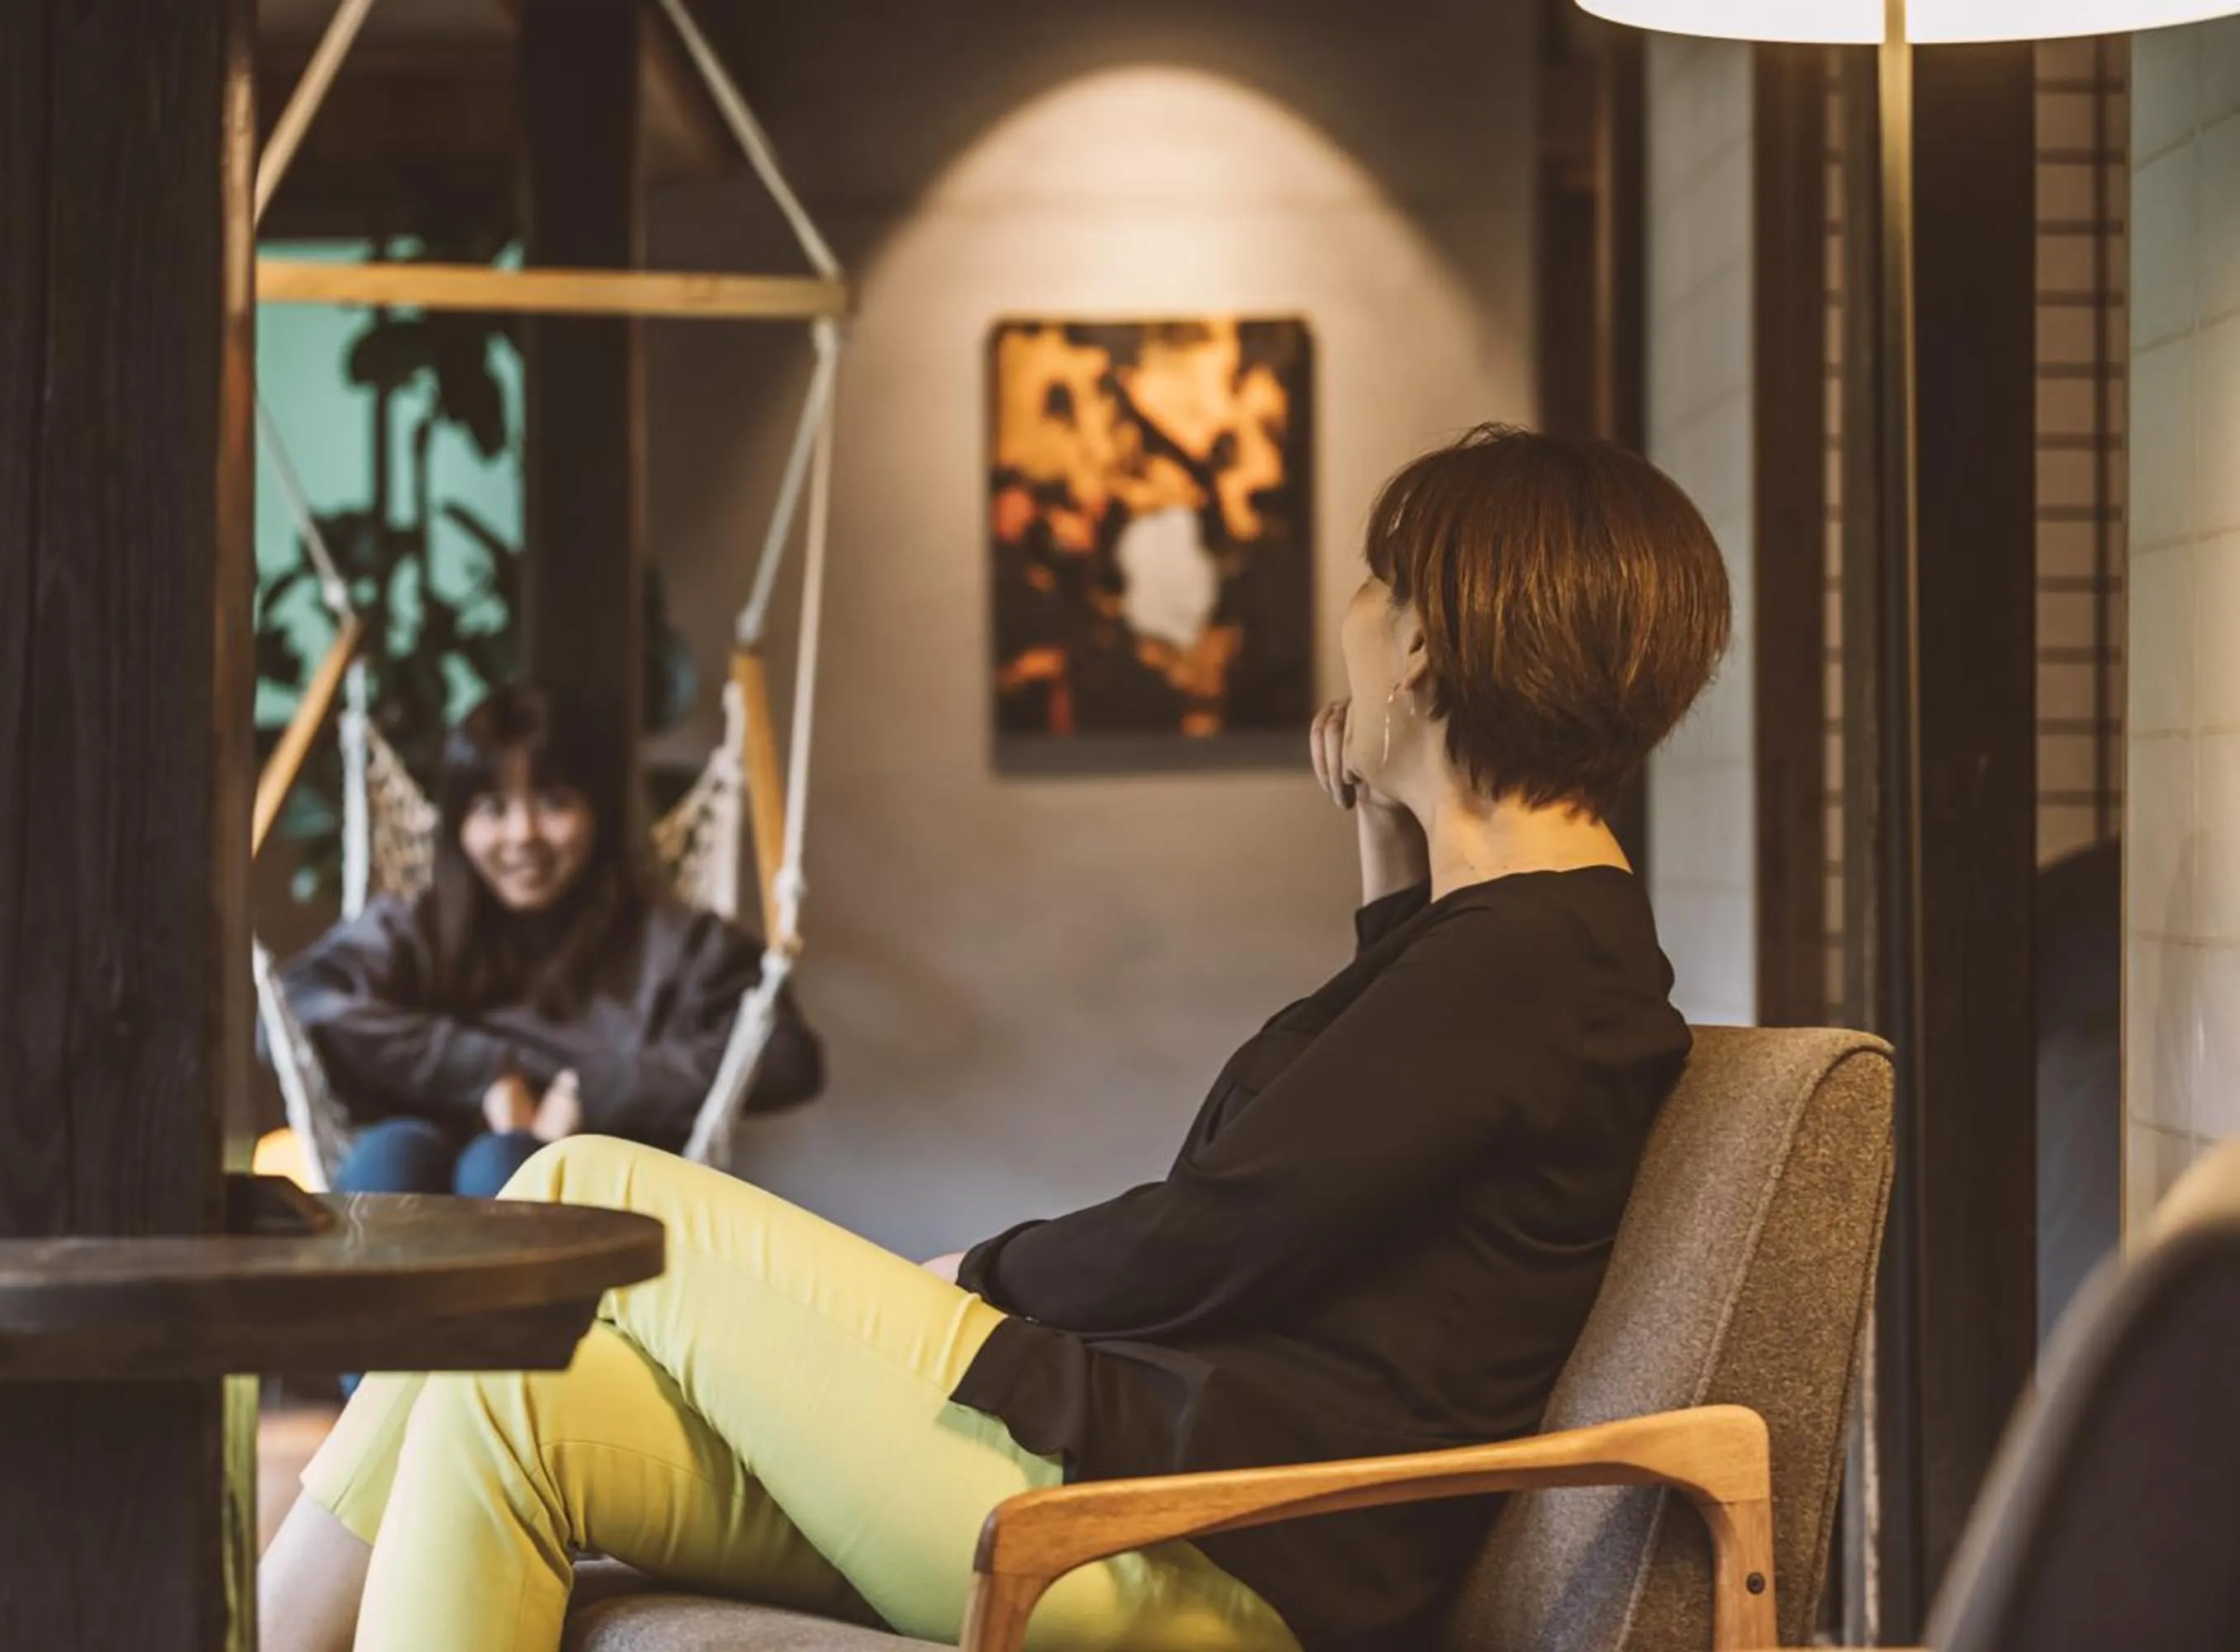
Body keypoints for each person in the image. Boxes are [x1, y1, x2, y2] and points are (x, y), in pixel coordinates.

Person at [260, 425, 1731, 1652]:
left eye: (1378, 577)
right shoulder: (1528, 956)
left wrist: (971, 1277)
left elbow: (1216, 1235)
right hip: (1184, 1505)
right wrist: (1383, 838)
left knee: (591, 1185)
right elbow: (1360, 1138)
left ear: (1422, 647)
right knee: (506, 1396)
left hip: (1194, 1556)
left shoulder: (1527, 971)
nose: (1350, 609)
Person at [273, 681, 825, 1202]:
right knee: (390, 1153)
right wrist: (487, 1072)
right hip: (418, 1170)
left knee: (505, 1163)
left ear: (598, 815)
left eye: (553, 802)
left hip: (587, 1193)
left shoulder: (673, 944)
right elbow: (299, 1006)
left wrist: (586, 1091)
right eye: (492, 808)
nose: (522, 835)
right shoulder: (415, 928)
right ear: (458, 825)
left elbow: (785, 1055)